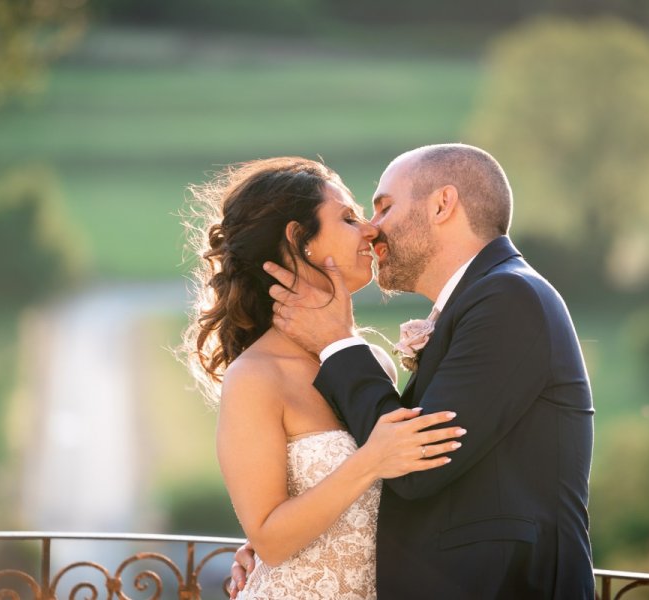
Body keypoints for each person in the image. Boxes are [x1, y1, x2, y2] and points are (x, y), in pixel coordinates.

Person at [233, 144, 595, 598]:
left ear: (442, 204)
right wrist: (290, 536)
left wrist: (336, 341)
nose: (372, 228)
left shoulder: (508, 299)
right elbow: (395, 461)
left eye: (383, 207)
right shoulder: (483, 301)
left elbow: (412, 465)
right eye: (358, 216)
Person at [182, 157, 465, 599]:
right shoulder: (255, 377)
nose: (371, 230)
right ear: (300, 240)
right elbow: (272, 540)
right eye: (349, 218)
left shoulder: (373, 362)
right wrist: (370, 460)